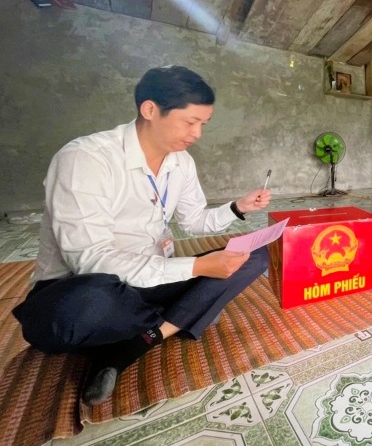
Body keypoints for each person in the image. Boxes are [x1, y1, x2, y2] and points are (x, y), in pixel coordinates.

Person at [12, 66, 273, 406]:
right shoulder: (86, 158)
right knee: (83, 306)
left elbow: (193, 220)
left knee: (255, 253)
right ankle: (183, 313)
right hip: (88, 287)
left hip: (152, 277)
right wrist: (196, 271)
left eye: (203, 125)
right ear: (150, 110)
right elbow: (91, 260)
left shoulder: (181, 163)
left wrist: (238, 207)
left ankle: (137, 342)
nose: (197, 134)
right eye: (189, 122)